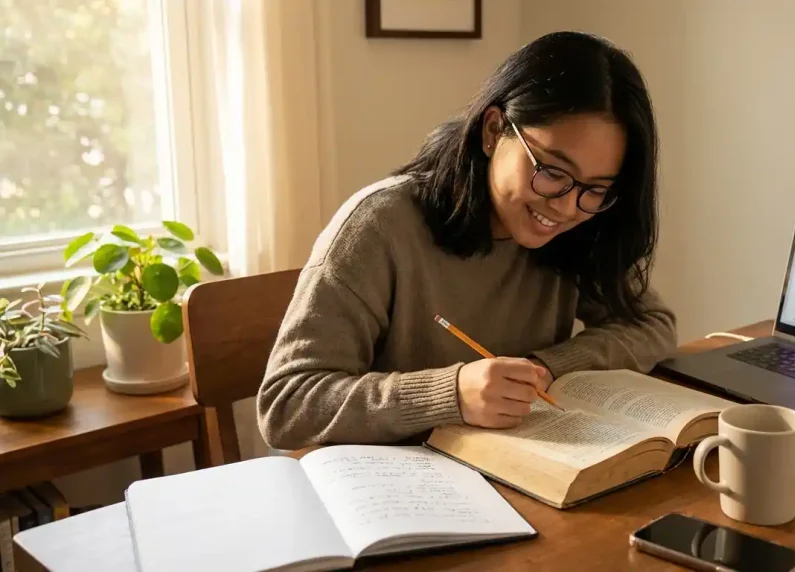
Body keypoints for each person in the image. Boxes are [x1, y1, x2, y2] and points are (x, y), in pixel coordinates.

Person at [256, 31, 678, 450]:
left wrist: (548, 368)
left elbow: (652, 324)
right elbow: (287, 405)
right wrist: (450, 394)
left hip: (518, 474)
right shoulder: (380, 226)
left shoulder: (582, 224)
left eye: (597, 188)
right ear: (493, 130)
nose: (567, 208)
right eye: (552, 172)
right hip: (394, 487)